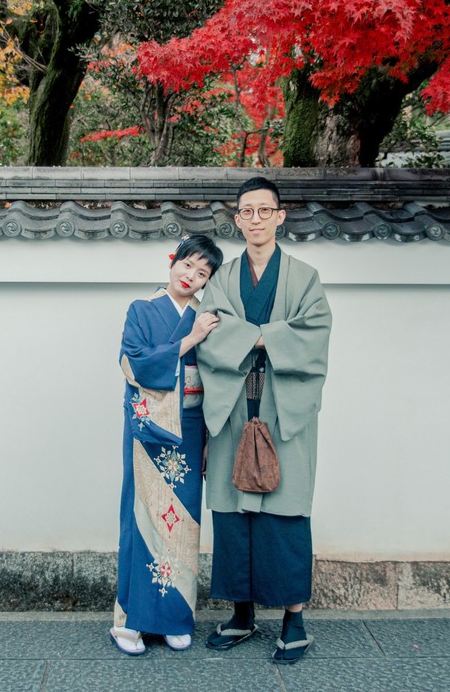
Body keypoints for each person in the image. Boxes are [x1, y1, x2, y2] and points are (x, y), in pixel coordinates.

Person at [197, 176, 332, 664]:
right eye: (246, 212)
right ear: (237, 220)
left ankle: (294, 621)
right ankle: (241, 615)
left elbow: (313, 332)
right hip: (234, 407)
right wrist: (269, 336)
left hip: (283, 411)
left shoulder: (304, 278)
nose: (255, 219)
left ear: (280, 216)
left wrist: (254, 337)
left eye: (264, 210)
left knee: (286, 514)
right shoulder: (222, 279)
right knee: (233, 516)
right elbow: (208, 332)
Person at [111, 235, 224, 655]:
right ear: (172, 261)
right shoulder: (141, 310)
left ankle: (177, 617)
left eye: (202, 274)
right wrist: (189, 340)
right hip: (149, 431)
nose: (190, 277)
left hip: (191, 432)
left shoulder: (204, 317)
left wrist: (213, 436)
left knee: (183, 525)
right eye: (187, 265)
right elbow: (133, 363)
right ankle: (130, 622)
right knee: (141, 522)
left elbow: (212, 381)